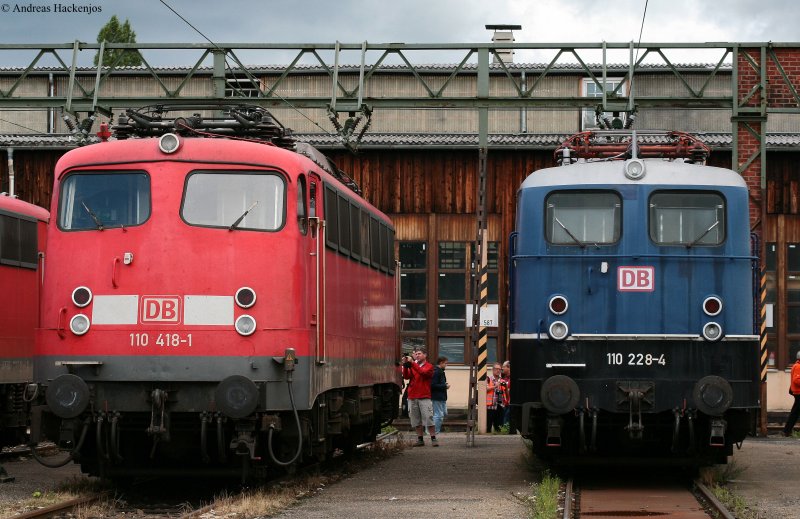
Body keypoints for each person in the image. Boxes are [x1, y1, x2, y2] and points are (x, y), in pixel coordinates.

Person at [402, 347, 438, 446]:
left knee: (429, 418)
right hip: (412, 395)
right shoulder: (414, 365)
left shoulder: (429, 366)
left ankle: (433, 438)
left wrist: (412, 364)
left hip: (424, 396)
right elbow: (406, 376)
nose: (417, 355)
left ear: (425, 355)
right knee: (416, 420)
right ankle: (420, 439)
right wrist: (405, 366)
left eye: (419, 353)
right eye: (416, 354)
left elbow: (423, 373)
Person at [486, 362, 508, 433]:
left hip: (500, 406)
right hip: (490, 406)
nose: (498, 370)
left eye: (499, 369)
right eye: (496, 369)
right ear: (493, 369)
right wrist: (495, 386)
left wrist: (506, 388)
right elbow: (485, 389)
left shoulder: (503, 381)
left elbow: (506, 393)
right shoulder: (488, 379)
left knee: (499, 428)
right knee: (487, 427)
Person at [431, 356, 450, 435]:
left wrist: (444, 384)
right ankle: (434, 432)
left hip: (442, 397)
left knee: (444, 413)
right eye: (445, 363)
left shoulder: (441, 372)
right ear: (441, 363)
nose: (446, 365)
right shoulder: (436, 372)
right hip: (437, 396)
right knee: (439, 415)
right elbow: (433, 385)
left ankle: (432, 430)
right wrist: (444, 386)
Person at [783, 351, 800, 437]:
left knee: (795, 412)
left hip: (798, 393)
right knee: (795, 413)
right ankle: (787, 431)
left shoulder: (796, 366)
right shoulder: (798, 367)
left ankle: (787, 431)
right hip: (799, 393)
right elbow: (796, 380)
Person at [501, 360, 511, 429]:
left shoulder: (512, 378)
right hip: (505, 403)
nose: (502, 368)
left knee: (506, 417)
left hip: (510, 403)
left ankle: (505, 430)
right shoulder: (505, 378)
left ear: (508, 367)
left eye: (504, 366)